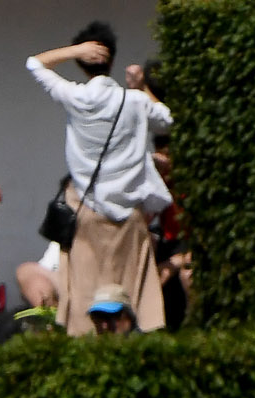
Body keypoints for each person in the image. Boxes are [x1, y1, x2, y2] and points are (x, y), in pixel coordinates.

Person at [28, 24, 172, 338]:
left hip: (86, 211)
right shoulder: (133, 101)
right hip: (129, 218)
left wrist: (74, 51)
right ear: (112, 58)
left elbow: (35, 63)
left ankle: (85, 361)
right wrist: (141, 86)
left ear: (84, 60)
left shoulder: (75, 96)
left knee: (84, 297)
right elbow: (166, 119)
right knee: (129, 297)